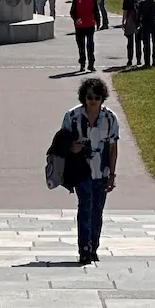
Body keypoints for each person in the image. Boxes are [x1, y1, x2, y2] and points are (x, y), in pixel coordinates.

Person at [62, 77, 119, 265]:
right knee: (85, 206)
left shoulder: (110, 118)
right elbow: (62, 142)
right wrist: (72, 147)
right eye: (89, 97)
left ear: (103, 98)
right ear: (83, 98)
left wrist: (112, 174)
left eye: (97, 97)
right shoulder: (72, 116)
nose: (93, 101)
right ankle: (84, 248)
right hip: (81, 170)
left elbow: (112, 148)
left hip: (101, 172)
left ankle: (93, 246)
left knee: (97, 210)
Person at [70, 0, 98, 72]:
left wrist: (98, 21)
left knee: (90, 46)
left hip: (90, 24)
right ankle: (82, 63)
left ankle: (91, 64)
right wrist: (76, 19)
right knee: (81, 46)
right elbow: (72, 12)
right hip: (80, 27)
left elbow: (96, 11)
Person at [121, 0, 141, 66]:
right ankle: (130, 59)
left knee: (138, 42)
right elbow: (125, 11)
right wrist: (123, 21)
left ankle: (138, 59)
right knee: (130, 42)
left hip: (138, 21)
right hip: (129, 20)